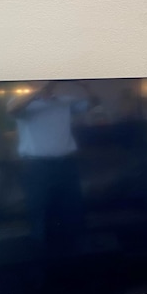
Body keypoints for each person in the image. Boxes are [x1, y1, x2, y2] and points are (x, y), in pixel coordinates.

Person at [8, 80, 96, 246]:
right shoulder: (20, 101)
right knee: (39, 214)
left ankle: (76, 257)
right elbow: (11, 109)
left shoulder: (65, 100)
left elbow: (94, 104)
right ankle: (40, 258)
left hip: (67, 165)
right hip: (36, 168)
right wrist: (40, 90)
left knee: (74, 210)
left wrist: (86, 86)